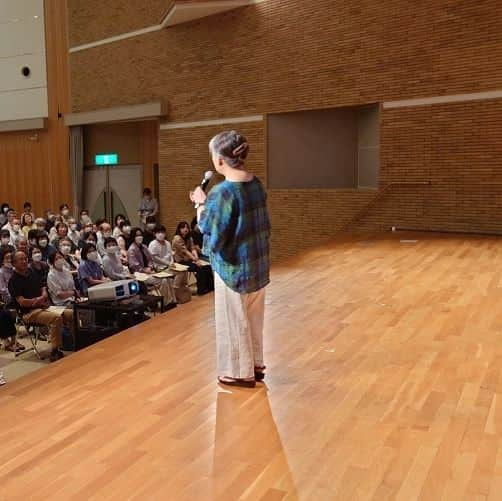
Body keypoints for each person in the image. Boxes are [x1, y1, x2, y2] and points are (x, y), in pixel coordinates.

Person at [191, 130, 271, 388]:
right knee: (253, 321)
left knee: (234, 322)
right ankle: (256, 364)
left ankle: (239, 372)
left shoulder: (222, 192)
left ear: (220, 160)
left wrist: (201, 204)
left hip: (233, 268)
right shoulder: (256, 183)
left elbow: (210, 229)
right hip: (257, 265)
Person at [8, 251, 64, 362]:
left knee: (71, 314)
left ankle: (73, 343)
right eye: (21, 260)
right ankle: (55, 350)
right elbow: (22, 302)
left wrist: (44, 294)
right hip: (28, 313)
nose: (24, 261)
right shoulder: (13, 280)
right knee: (55, 318)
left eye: (25, 258)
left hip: (43, 307)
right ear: (14, 263)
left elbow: (42, 287)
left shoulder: (31, 272)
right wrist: (38, 301)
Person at [172, 221, 213, 295]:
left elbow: (192, 248)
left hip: (189, 259)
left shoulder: (189, 238)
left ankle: (210, 287)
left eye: (187, 227)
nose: (185, 229)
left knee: (207, 266)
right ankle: (201, 290)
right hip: (180, 262)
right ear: (179, 229)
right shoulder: (177, 238)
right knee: (199, 268)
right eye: (183, 227)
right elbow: (185, 251)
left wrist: (196, 258)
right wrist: (195, 260)